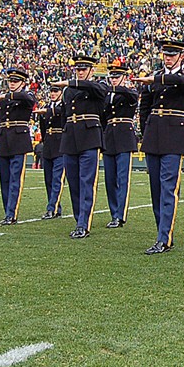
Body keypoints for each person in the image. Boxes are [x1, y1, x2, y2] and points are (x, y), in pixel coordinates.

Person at [134, 39, 184, 255]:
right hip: (154, 135)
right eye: (166, 54)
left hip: (173, 136)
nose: (168, 58)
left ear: (181, 56)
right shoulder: (155, 78)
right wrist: (146, 131)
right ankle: (162, 232)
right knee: (155, 189)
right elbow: (144, 108)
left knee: (168, 188)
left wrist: (157, 77)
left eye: (173, 54)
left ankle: (164, 237)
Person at [54, 53, 110, 239]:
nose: (79, 72)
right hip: (71, 137)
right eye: (77, 69)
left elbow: (100, 92)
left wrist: (73, 83)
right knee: (73, 182)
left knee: (87, 181)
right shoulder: (68, 91)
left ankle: (83, 223)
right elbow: (65, 115)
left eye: (83, 69)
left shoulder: (97, 86)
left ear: (91, 71)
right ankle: (79, 218)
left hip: (89, 136)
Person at [0, 67, 36, 225]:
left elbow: (29, 100)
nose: (12, 84)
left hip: (18, 139)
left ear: (23, 83)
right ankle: (7, 210)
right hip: (4, 139)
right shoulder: (2, 100)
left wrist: (8, 95)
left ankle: (12, 213)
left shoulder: (26, 96)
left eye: (15, 81)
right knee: (4, 179)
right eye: (10, 81)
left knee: (15, 178)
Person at [101, 62, 139, 229]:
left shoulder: (128, 92)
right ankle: (113, 212)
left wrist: (115, 88)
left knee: (122, 178)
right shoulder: (106, 95)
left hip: (124, 135)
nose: (114, 80)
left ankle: (120, 215)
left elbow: (133, 97)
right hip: (109, 136)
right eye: (112, 77)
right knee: (110, 179)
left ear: (124, 77)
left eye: (117, 77)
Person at [37, 84, 66, 220]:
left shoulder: (64, 106)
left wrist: (49, 111)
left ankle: (52, 208)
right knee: (48, 179)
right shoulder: (48, 107)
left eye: (56, 91)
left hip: (60, 144)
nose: (53, 94)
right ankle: (55, 206)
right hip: (48, 145)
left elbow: (62, 114)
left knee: (57, 179)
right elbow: (43, 128)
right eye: (51, 91)